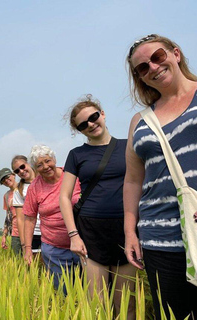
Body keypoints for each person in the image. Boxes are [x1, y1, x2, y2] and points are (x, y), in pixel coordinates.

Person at [124, 34, 197, 320]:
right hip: (158, 238)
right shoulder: (140, 121)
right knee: (172, 314)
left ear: (175, 54)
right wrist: (131, 231)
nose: (153, 67)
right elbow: (132, 180)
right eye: (143, 67)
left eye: (157, 57)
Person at [59, 94, 136, 318]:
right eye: (83, 124)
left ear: (102, 114)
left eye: (93, 117)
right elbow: (65, 197)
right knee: (97, 303)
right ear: (79, 131)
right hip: (91, 231)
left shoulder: (129, 146)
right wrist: (73, 234)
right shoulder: (77, 155)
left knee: (126, 304)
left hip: (126, 229)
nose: (91, 124)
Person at [23, 145, 81, 291]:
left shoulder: (73, 176)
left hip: (83, 243)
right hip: (54, 248)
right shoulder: (34, 188)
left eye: (48, 161)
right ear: (35, 168)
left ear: (54, 159)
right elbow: (29, 218)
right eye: (39, 165)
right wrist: (28, 249)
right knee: (64, 292)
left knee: (90, 290)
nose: (45, 167)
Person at [11, 155, 42, 255]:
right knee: (37, 266)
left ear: (28, 163)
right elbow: (20, 219)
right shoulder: (18, 191)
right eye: (17, 171)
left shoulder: (45, 179)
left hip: (52, 229)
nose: (21, 171)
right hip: (34, 233)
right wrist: (24, 245)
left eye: (22, 166)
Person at [0, 168, 20, 255]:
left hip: (31, 230)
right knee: (18, 261)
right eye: (3, 180)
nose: (6, 180)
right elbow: (8, 217)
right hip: (16, 232)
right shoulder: (6, 196)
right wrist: (4, 236)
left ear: (14, 175)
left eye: (7, 177)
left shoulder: (26, 188)